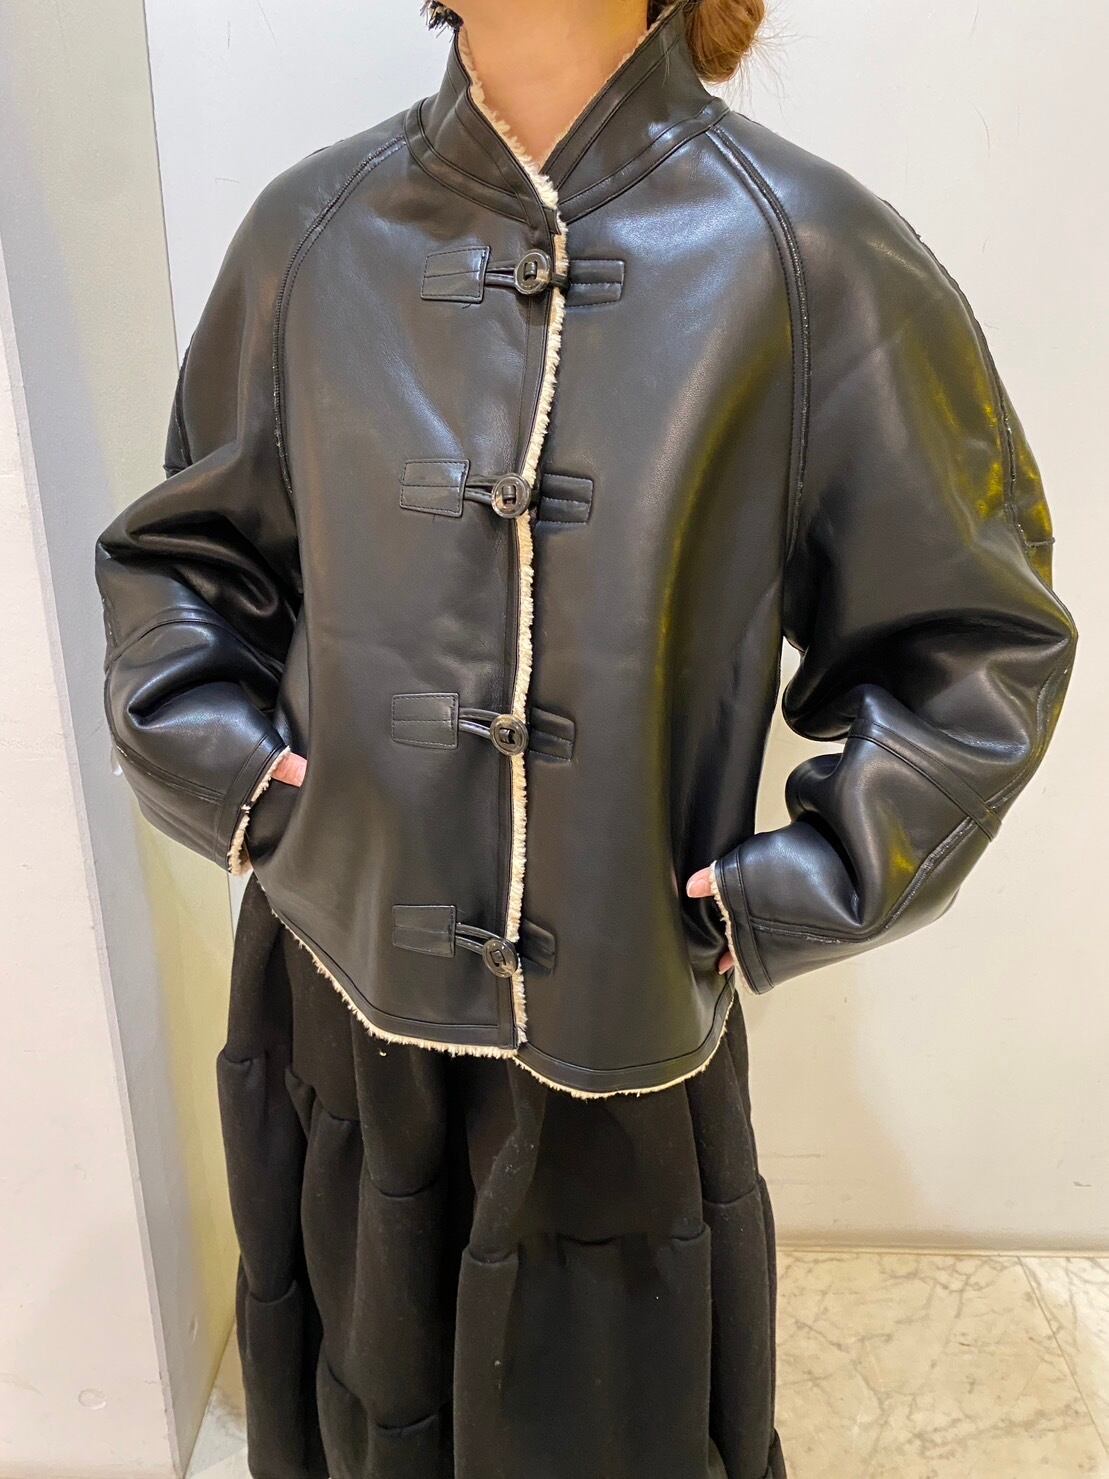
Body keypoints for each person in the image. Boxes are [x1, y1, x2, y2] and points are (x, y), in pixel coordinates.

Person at [91, 1, 1078, 1475]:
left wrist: (792, 891)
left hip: (621, 1036)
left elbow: (976, 643)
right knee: (356, 1412)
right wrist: (239, 779)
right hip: (339, 991)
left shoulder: (811, 257)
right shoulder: (312, 233)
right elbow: (184, 561)